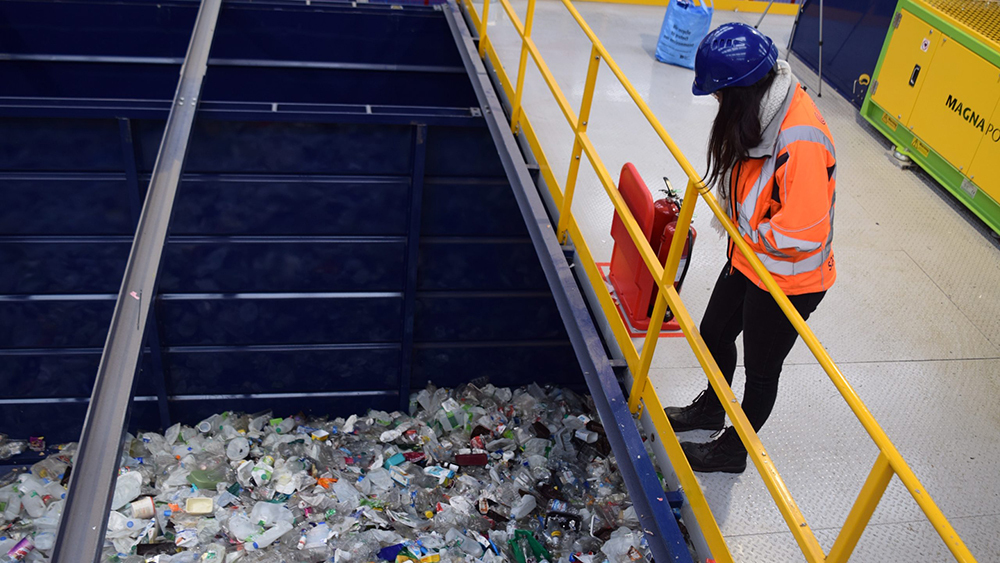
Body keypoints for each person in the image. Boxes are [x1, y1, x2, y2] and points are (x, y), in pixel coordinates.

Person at [665, 23, 837, 474]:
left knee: (761, 374)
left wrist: (750, 237)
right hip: (751, 257)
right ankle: (712, 408)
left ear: (740, 91)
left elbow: (803, 234)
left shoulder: (799, 138)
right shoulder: (760, 113)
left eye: (720, 96)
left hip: (789, 279)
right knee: (714, 332)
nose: (718, 105)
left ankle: (733, 451)